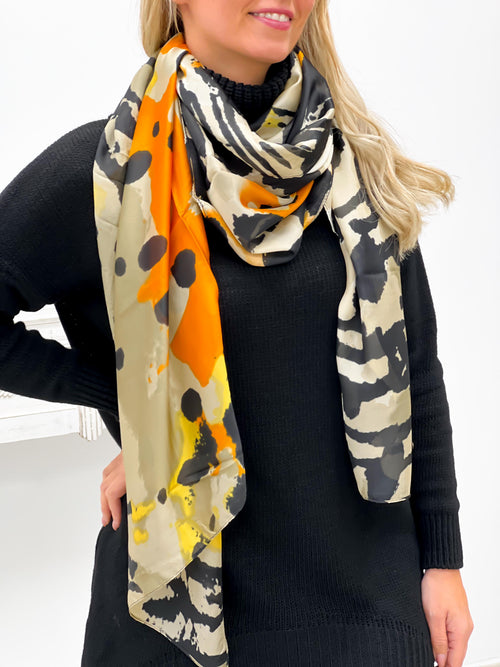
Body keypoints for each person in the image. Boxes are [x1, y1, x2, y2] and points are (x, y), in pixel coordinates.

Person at [0, 0, 474, 665]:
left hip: (362, 612)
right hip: (177, 626)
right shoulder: (112, 167)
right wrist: (143, 413)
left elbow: (417, 369)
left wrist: (443, 561)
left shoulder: (354, 166)